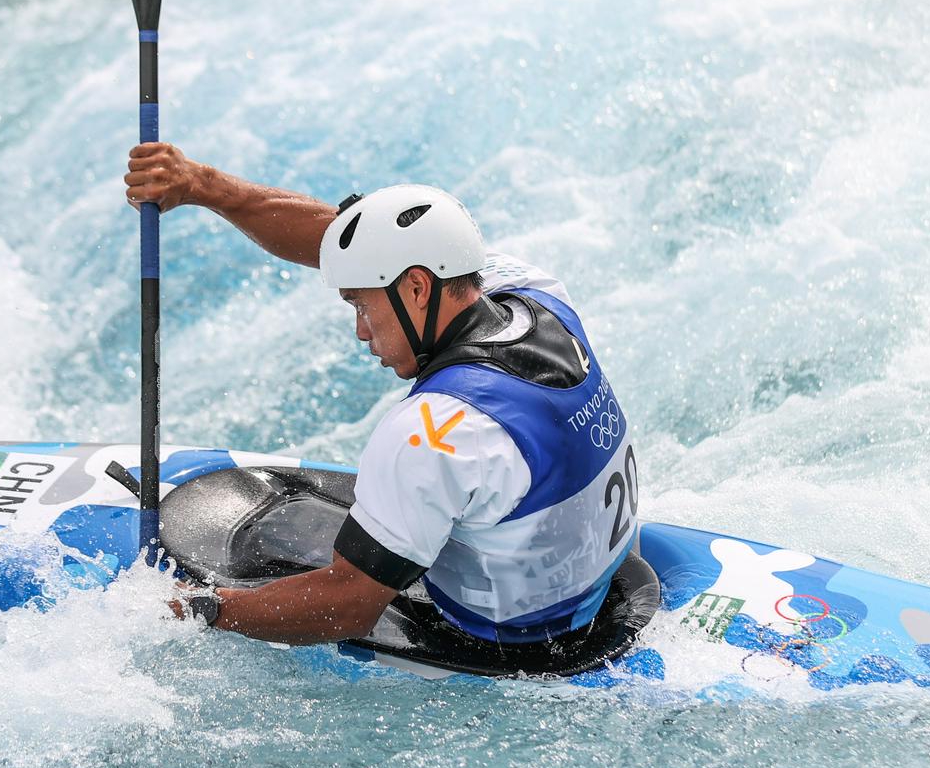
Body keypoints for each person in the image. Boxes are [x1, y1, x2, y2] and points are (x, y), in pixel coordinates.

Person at [124, 142, 639, 647]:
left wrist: (204, 609)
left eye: (361, 306)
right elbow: (353, 242)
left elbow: (348, 605)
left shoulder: (434, 431)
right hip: (589, 584)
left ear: (416, 289)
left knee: (287, 529)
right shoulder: (536, 295)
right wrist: (202, 186)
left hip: (502, 640)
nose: (361, 332)